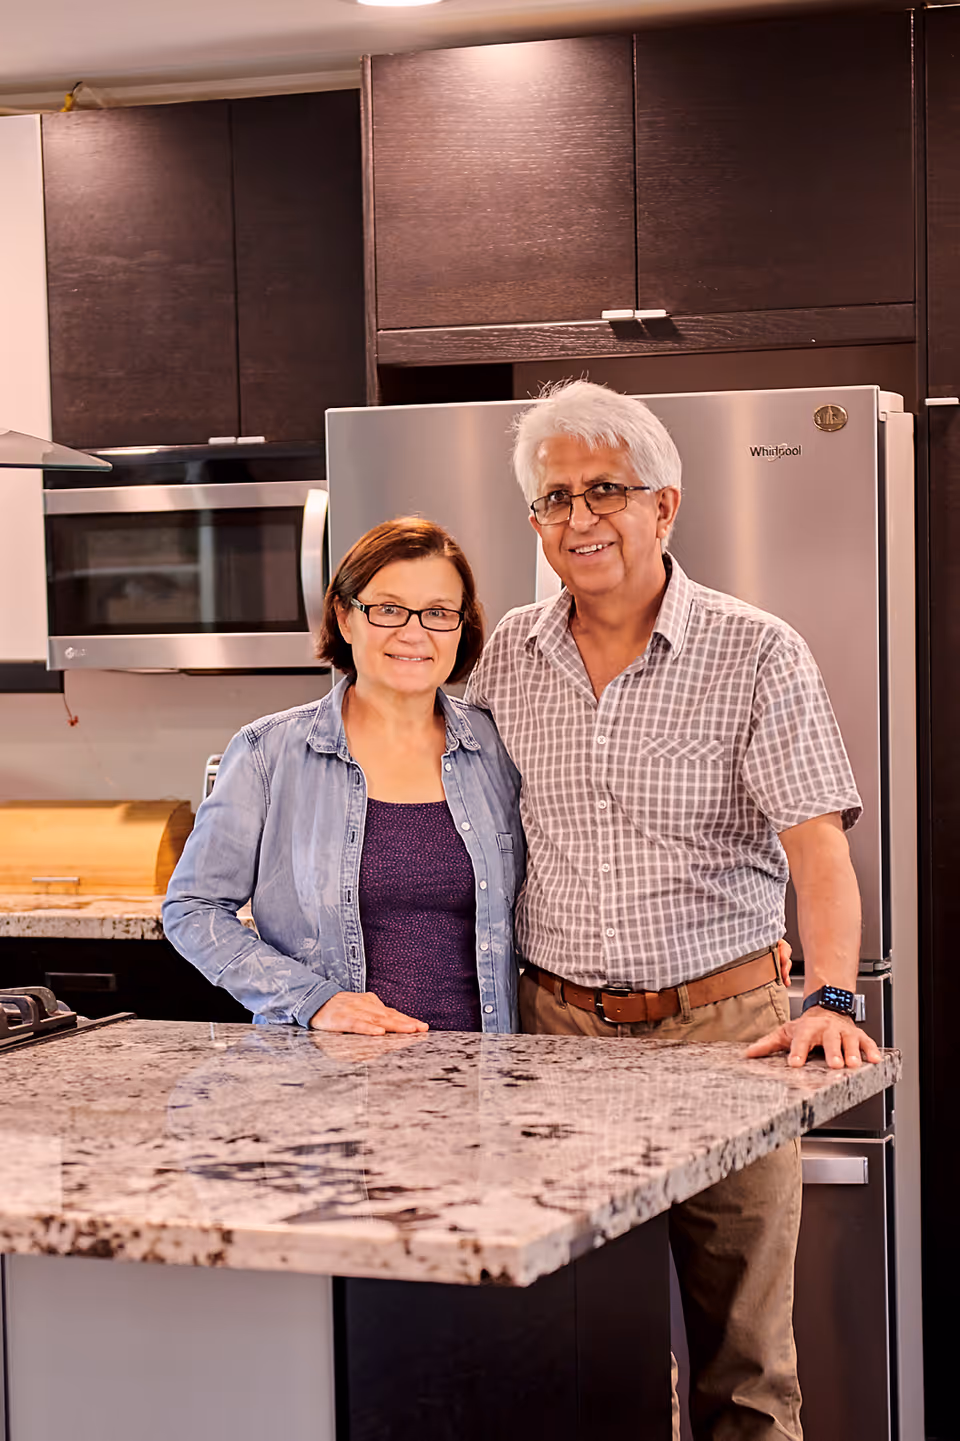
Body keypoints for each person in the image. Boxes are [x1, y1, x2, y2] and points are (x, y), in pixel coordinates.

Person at [465, 379, 881, 1441]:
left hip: (723, 1039)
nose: (580, 518)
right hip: (553, 1039)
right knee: (577, 1350)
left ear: (666, 505)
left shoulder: (757, 650)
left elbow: (816, 844)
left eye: (607, 489)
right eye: (555, 498)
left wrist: (830, 991)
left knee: (744, 1371)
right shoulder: (508, 652)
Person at [164, 517, 523, 1036]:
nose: (414, 632)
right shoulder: (269, 753)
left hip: (481, 1078)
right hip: (324, 1080)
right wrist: (314, 1000)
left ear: (462, 625)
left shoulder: (497, 746)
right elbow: (192, 908)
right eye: (389, 609)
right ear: (345, 617)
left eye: (439, 612)